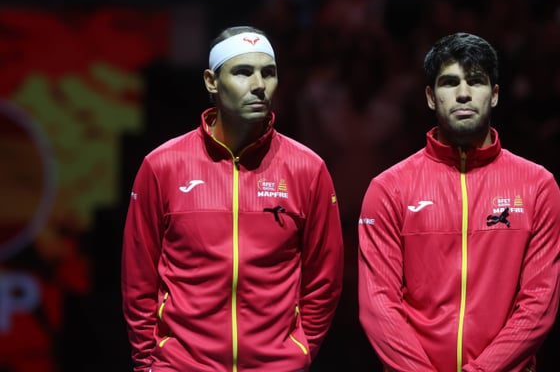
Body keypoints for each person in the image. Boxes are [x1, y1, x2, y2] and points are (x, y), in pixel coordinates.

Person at [121, 25, 344, 372]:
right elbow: (138, 278)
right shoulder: (162, 166)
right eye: (242, 72)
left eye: (268, 73)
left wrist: (299, 351)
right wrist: (147, 361)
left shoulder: (307, 169)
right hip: (181, 365)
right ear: (211, 81)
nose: (259, 84)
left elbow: (324, 278)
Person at [358, 32, 560, 372]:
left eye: (476, 81)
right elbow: (379, 306)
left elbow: (539, 303)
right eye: (450, 82)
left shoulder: (538, 187)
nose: (463, 93)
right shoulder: (389, 189)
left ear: (494, 95)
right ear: (430, 97)